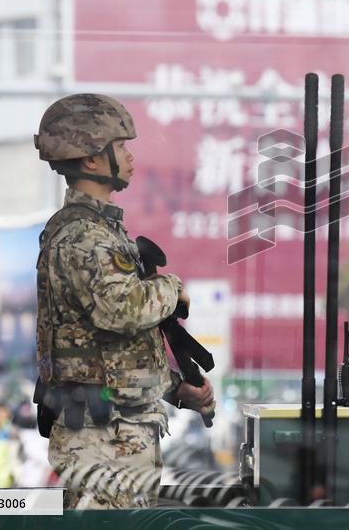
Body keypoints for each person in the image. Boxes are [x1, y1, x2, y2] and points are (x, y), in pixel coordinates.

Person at [33, 93, 214, 509]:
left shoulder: (100, 232)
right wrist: (171, 289)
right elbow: (122, 309)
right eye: (121, 147)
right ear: (93, 160)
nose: (130, 157)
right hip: (101, 441)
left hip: (115, 435)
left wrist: (175, 389)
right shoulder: (84, 237)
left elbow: (107, 356)